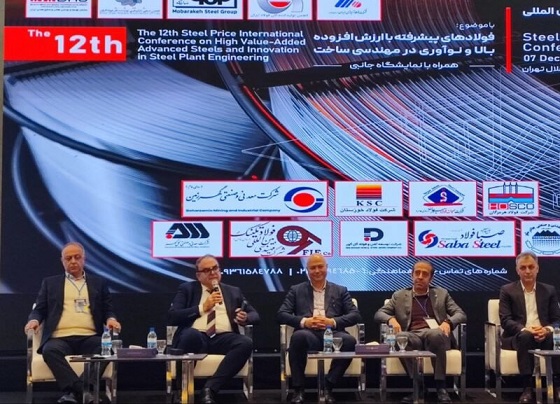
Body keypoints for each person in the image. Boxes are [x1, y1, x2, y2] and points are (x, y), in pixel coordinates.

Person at [24, 242, 121, 404]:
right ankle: (84, 391)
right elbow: (39, 309)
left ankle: (73, 392)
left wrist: (111, 319)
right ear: (62, 261)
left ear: (84, 259)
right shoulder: (50, 283)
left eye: (77, 257)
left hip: (89, 337)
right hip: (60, 338)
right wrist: (33, 321)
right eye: (68, 258)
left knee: (107, 348)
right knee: (49, 350)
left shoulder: (99, 283)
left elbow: (107, 309)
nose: (73, 261)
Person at [168, 254, 260, 404]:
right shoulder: (187, 289)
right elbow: (173, 316)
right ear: (198, 275)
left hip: (223, 338)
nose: (212, 273)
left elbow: (255, 315)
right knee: (190, 335)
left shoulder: (233, 291)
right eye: (207, 270)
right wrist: (202, 308)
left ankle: (209, 389)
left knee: (245, 342)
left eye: (215, 268)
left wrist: (245, 317)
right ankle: (181, 390)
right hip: (196, 337)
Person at [374, 260, 466, 404]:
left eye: (425, 274)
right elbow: (379, 314)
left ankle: (441, 387)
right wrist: (391, 319)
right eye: (417, 273)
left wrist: (448, 322)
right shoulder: (399, 295)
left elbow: (460, 314)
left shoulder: (442, 294)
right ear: (412, 275)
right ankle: (419, 386)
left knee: (435, 334)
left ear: (431, 278)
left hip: (435, 334)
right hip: (412, 335)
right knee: (401, 337)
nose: (420, 277)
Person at [277, 253, 362, 404]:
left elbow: (355, 315)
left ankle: (328, 386)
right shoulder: (296, 290)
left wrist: (332, 321)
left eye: (320, 267)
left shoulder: (340, 290)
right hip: (308, 334)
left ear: (326, 268)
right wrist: (305, 321)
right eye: (313, 268)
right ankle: (298, 390)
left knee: (349, 341)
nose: (317, 271)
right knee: (298, 337)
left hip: (333, 333)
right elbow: (281, 314)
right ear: (307, 270)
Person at [499, 251, 560, 403]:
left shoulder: (549, 290)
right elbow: (506, 320)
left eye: (531, 267)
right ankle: (527, 388)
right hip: (518, 336)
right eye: (523, 267)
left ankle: (557, 386)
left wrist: (546, 329)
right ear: (517, 270)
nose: (527, 271)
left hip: (544, 335)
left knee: (553, 337)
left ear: (537, 268)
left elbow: (557, 320)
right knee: (526, 336)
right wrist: (526, 329)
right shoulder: (507, 290)